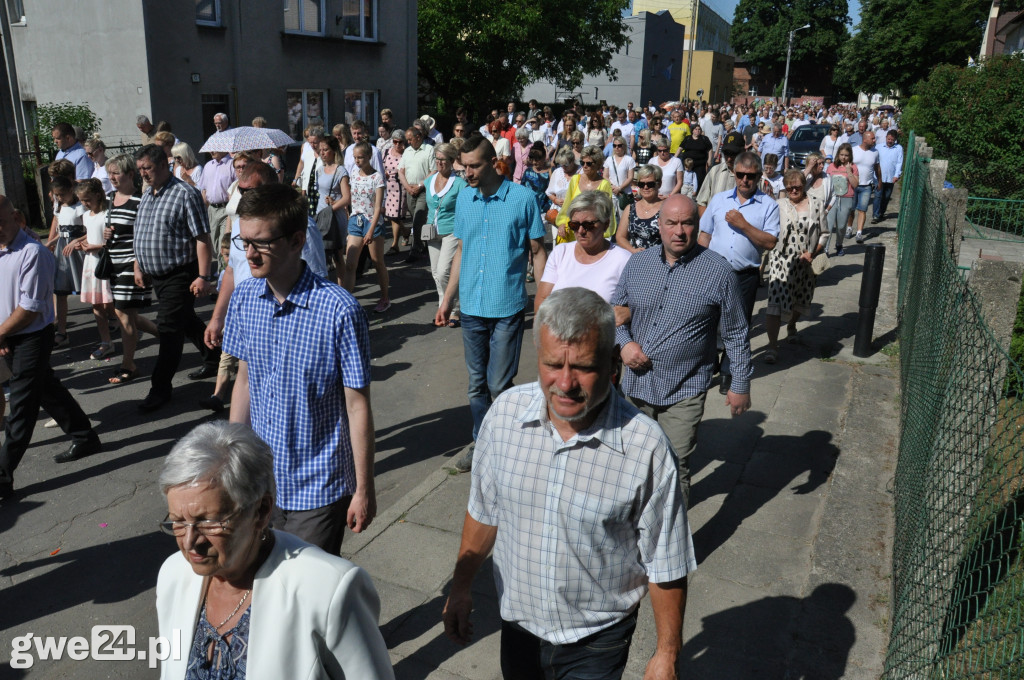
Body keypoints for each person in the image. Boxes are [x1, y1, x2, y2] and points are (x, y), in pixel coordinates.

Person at [442, 287, 696, 679]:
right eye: (552, 365)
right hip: (518, 630)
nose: (565, 383)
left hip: (596, 641)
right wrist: (460, 588)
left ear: (614, 362)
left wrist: (667, 653)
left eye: (582, 367)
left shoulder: (646, 447)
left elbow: (665, 560)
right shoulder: (504, 417)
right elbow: (483, 511)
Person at [156, 421, 394, 679]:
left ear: (261, 511)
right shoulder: (174, 574)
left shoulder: (328, 590)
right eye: (177, 521)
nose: (190, 541)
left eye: (209, 522)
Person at [224, 183, 377, 553]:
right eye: (243, 241)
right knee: (264, 592)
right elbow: (244, 380)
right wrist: (230, 464)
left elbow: (357, 405)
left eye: (260, 242)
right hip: (261, 485)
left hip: (319, 489)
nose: (249, 253)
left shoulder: (339, 310)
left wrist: (363, 488)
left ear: (295, 241)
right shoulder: (244, 298)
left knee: (308, 599)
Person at [616, 194, 753, 505]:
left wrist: (740, 384)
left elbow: (735, 333)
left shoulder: (719, 272)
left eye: (687, 223)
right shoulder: (637, 264)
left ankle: (671, 545)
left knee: (674, 467)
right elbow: (616, 314)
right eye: (671, 223)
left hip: (684, 388)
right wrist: (624, 344)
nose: (679, 231)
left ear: (697, 225)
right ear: (659, 225)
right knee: (633, 465)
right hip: (636, 387)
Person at [434, 136, 547, 472]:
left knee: (498, 383)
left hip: (507, 307)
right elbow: (461, 251)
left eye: (474, 166)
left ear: (492, 161)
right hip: (470, 307)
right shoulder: (465, 198)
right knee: (476, 384)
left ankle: (510, 440)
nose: (467, 173)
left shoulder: (522, 198)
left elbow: (538, 252)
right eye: (463, 166)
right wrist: (447, 300)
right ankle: (483, 442)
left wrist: (543, 301)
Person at [202, 162, 329, 413]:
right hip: (251, 314)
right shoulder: (241, 224)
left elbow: (316, 276)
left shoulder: (299, 227)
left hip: (290, 320)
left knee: (292, 398)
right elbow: (231, 270)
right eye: (242, 190)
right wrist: (217, 318)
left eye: (251, 191)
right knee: (250, 386)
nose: (245, 196)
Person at [0, 195, 101, 501]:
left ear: (17, 218)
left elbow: (29, 308)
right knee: (47, 389)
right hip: (9, 336)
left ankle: (2, 476)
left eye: (0, 223)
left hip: (32, 335)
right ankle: (85, 436)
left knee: (22, 405)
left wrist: (0, 334)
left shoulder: (33, 254)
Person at [133, 144, 220, 412]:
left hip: (181, 273)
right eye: (140, 170)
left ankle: (160, 388)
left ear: (163, 165)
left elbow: (202, 238)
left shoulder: (185, 194)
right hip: (156, 274)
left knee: (169, 327)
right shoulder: (148, 194)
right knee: (185, 318)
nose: (143, 174)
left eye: (147, 168)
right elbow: (141, 233)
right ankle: (214, 356)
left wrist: (204, 276)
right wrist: (140, 267)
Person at [698, 152, 780, 394]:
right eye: (741, 175)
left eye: (751, 176)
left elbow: (770, 242)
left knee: (737, 326)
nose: (745, 180)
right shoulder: (720, 199)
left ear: (759, 176)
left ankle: (728, 373)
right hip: (714, 271)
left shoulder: (768, 205)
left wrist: (743, 224)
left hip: (745, 274)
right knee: (708, 320)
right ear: (734, 174)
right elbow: (705, 234)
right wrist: (699, 266)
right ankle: (707, 364)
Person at [102, 154, 158, 385]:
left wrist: (139, 266)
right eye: (110, 173)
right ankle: (170, 336)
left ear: (130, 174)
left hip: (132, 263)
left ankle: (129, 365)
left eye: (117, 172)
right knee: (130, 315)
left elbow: (146, 234)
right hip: (113, 264)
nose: (112, 177)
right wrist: (106, 234)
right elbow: (110, 228)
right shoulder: (109, 198)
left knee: (124, 314)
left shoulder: (142, 199)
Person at [763, 169, 827, 363]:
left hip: (805, 261)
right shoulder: (778, 205)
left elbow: (824, 233)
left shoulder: (816, 204)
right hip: (781, 258)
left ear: (803, 185)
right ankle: (772, 346)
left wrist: (813, 252)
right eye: (789, 187)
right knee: (774, 303)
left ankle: (791, 326)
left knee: (801, 299)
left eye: (797, 186)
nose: (793, 189)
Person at [535, 191, 631, 311]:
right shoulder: (561, 253)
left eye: (588, 225)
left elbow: (636, 306)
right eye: (574, 225)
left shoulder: (623, 259)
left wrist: (628, 313)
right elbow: (542, 299)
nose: (580, 231)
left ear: (606, 224)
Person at [73, 179, 117, 360]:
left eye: (87, 200)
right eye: (82, 200)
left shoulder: (108, 213)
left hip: (105, 262)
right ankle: (106, 341)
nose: (84, 203)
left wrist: (95, 246)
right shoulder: (86, 216)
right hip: (91, 263)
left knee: (113, 303)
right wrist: (81, 243)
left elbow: (112, 241)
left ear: (98, 195)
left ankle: (129, 332)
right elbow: (90, 233)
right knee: (96, 304)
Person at [425, 142, 467, 327]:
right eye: (437, 159)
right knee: (435, 273)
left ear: (451, 161)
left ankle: (455, 309)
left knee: (444, 272)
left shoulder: (459, 184)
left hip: (451, 230)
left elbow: (466, 208)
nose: (439, 163)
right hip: (432, 230)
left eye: (443, 160)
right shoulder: (429, 180)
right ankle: (444, 308)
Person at [345, 141, 390, 312]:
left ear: (369, 157)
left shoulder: (377, 177)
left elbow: (378, 207)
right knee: (350, 263)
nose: (357, 161)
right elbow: (352, 197)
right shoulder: (354, 174)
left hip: (373, 222)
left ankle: (385, 297)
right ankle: (347, 302)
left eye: (361, 157)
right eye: (355, 157)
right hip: (356, 221)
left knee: (378, 262)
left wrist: (371, 230)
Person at [46, 176, 86, 346]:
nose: (60, 198)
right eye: (57, 195)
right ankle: (62, 331)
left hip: (78, 251)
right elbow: (61, 233)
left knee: (89, 288)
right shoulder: (59, 208)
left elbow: (89, 230)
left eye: (62, 194)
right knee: (60, 291)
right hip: (63, 251)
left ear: (71, 190)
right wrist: (49, 243)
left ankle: (111, 319)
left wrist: (76, 241)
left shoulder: (80, 208)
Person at [555, 145, 616, 244]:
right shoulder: (575, 180)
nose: (584, 166)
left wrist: (602, 234)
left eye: (589, 163)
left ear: (598, 164)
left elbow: (607, 213)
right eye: (582, 162)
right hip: (572, 231)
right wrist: (561, 223)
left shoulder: (604, 184)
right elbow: (567, 206)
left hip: (592, 234)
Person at [313, 135, 351, 286]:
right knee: (322, 255)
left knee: (337, 255)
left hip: (335, 217)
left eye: (325, 149)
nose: (322, 153)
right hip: (321, 216)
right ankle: (326, 288)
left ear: (334, 151)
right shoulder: (320, 170)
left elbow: (346, 198)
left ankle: (343, 290)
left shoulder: (341, 171)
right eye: (320, 150)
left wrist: (331, 208)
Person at [398, 126, 435, 263]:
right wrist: (408, 187)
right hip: (410, 190)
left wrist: (420, 185)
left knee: (418, 218)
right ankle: (424, 245)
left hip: (423, 190)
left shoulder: (429, 150)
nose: (408, 142)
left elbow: (433, 170)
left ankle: (416, 249)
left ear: (418, 137)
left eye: (410, 139)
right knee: (415, 219)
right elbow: (401, 171)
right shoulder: (407, 151)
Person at [197, 150, 236, 269]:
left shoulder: (231, 164)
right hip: (212, 210)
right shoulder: (208, 166)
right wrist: (203, 210)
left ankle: (222, 272)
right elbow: (204, 189)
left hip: (225, 209)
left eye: (215, 148)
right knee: (213, 243)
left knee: (222, 243)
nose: (212, 151)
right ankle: (221, 268)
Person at [615, 164, 663, 253]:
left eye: (650, 184)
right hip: (636, 259)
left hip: (660, 260)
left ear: (659, 184)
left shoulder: (666, 209)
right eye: (641, 184)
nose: (645, 187)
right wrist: (632, 250)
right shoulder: (630, 209)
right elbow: (620, 237)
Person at [695, 139, 743, 217]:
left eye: (733, 154)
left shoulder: (751, 177)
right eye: (726, 154)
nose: (729, 159)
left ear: (743, 152)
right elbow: (701, 202)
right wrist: (706, 226)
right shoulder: (715, 171)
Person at [825, 143, 858, 255]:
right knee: (828, 226)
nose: (843, 157)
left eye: (846, 155)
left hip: (846, 198)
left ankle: (839, 244)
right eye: (841, 154)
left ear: (850, 156)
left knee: (841, 226)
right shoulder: (831, 167)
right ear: (838, 155)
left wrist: (849, 171)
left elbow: (855, 185)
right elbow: (826, 183)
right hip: (832, 199)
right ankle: (825, 248)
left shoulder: (853, 167)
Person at [852, 130, 881, 243]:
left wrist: (879, 181)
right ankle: (849, 228)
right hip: (853, 185)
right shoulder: (854, 150)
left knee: (862, 209)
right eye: (872, 138)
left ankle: (859, 233)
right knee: (851, 210)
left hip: (867, 186)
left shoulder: (875, 152)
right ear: (865, 139)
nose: (874, 140)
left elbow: (877, 168)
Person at [382, 129, 408, 254]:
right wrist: (384, 173)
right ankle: (405, 232)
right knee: (391, 216)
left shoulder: (406, 154)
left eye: (400, 142)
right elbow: (381, 165)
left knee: (395, 216)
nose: (397, 144)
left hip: (400, 187)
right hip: (388, 187)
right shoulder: (386, 151)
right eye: (395, 141)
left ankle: (395, 244)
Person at [873, 130, 903, 223]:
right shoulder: (878, 147)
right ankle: (875, 215)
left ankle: (881, 212)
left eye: (892, 140)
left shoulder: (898, 148)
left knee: (886, 197)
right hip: (878, 177)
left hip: (890, 177)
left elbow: (899, 163)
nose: (890, 141)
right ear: (886, 138)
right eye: (889, 139)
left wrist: (896, 175)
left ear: (895, 140)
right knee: (878, 196)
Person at [603, 135, 636, 211]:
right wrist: (613, 187)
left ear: (624, 146)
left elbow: (630, 177)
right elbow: (605, 176)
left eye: (619, 146)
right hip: (612, 193)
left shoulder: (629, 160)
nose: (616, 148)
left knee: (624, 218)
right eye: (614, 145)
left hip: (625, 194)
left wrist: (620, 188)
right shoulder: (609, 159)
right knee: (612, 218)